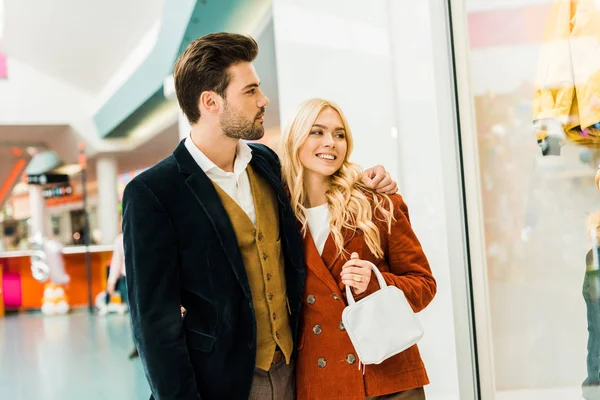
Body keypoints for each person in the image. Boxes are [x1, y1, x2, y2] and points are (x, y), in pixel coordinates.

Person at [122, 33, 396, 400]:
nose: (263, 100)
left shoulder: (267, 163)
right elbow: (154, 324)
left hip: (294, 371)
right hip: (220, 383)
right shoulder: (153, 193)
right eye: (250, 91)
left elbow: (319, 185)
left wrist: (366, 181)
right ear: (210, 102)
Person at [279, 98, 437, 400]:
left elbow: (425, 285)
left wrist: (376, 282)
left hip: (386, 378)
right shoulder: (279, 214)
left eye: (339, 134)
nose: (331, 143)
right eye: (318, 132)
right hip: (320, 382)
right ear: (295, 138)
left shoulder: (377, 203)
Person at [106, 231, 139, 359]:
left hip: (143, 280)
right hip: (127, 280)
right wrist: (111, 282)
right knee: (133, 315)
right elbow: (116, 262)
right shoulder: (120, 240)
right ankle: (137, 345)